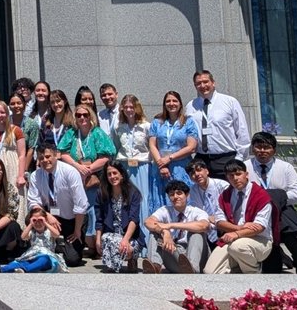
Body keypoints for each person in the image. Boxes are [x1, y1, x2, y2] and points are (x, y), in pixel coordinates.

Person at [59, 101, 116, 257]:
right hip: (76, 176)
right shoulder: (71, 133)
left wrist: (89, 169)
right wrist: (78, 167)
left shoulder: (97, 133)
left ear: (91, 116)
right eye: (79, 115)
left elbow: (107, 155)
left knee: (93, 209)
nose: (82, 118)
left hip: (94, 178)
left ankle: (95, 244)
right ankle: (82, 241)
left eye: (85, 115)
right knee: (79, 208)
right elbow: (62, 153)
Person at [247, 131, 297, 274]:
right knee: (272, 270)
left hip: (281, 211)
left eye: (266, 147)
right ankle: (279, 256)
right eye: (258, 147)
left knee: (295, 235)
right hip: (255, 213)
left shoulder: (285, 167)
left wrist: (274, 196)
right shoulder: (245, 167)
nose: (262, 151)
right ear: (252, 149)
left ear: (274, 150)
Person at [204, 159, 275, 274]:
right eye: (231, 175)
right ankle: (238, 271)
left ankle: (253, 273)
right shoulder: (225, 195)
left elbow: (259, 227)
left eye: (238, 174)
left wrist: (236, 234)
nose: (235, 178)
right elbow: (219, 222)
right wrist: (239, 228)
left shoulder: (261, 195)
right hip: (232, 239)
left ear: (246, 174)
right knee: (210, 272)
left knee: (237, 247)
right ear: (227, 178)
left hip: (260, 240)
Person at [27, 144, 89, 266]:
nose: (45, 160)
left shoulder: (70, 172)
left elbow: (81, 205)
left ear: (56, 155)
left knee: (72, 260)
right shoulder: (35, 175)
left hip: (73, 219)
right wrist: (47, 216)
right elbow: (33, 202)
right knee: (30, 218)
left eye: (48, 156)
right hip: (50, 217)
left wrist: (77, 231)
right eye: (41, 158)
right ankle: (41, 246)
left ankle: (58, 248)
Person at [188, 70, 250, 177]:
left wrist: (239, 159)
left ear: (213, 83)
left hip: (226, 159)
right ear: (195, 86)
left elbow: (242, 131)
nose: (202, 86)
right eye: (198, 83)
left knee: (228, 188)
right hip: (201, 160)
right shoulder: (190, 106)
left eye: (205, 82)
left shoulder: (230, 102)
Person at [143, 177, 212, 274]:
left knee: (197, 234)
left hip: (198, 257)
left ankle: (192, 268)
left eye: (179, 193)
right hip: (175, 255)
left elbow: (204, 226)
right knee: (154, 233)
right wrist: (164, 231)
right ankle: (155, 267)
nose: (175, 197)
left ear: (187, 195)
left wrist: (171, 225)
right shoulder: (165, 210)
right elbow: (148, 222)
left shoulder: (196, 211)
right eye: (171, 194)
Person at [114, 93, 159, 223]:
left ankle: (145, 229)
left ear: (137, 108)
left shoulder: (146, 126)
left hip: (142, 166)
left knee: (143, 197)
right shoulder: (118, 127)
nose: (129, 110)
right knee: (126, 197)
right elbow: (117, 146)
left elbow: (152, 147)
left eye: (131, 107)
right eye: (126, 107)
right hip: (125, 166)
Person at [96, 160, 146, 273]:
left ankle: (132, 258)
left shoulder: (133, 193)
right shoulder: (102, 193)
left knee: (126, 247)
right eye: (109, 174)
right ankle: (113, 264)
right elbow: (99, 219)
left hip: (131, 236)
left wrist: (125, 240)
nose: (112, 177)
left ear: (122, 174)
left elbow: (134, 220)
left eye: (115, 173)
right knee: (105, 238)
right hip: (112, 234)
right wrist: (98, 239)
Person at [149, 90, 198, 194]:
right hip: (160, 168)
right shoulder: (157, 122)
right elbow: (152, 145)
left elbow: (191, 147)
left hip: (181, 167)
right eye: (168, 101)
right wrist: (161, 165)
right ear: (164, 104)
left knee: (181, 196)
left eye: (175, 101)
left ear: (180, 104)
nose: (171, 104)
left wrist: (170, 158)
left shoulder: (188, 122)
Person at [0, 205, 68, 273]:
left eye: (40, 220)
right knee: (20, 262)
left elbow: (57, 234)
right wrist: (31, 224)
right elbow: (23, 237)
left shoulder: (49, 232)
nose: (38, 223)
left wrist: (45, 223)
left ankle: (25, 269)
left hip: (47, 257)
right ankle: (2, 269)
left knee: (43, 259)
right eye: (34, 220)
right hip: (32, 256)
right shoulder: (32, 232)